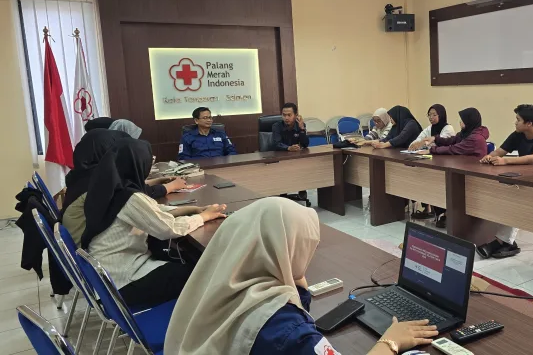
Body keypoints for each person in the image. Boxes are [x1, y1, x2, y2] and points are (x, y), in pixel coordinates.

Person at [164, 197, 438, 355]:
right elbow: (290, 334)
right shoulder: (286, 330)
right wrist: (391, 342)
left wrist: (296, 287)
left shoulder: (223, 282)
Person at [83, 138, 227, 308]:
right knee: (199, 272)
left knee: (185, 262)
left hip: (109, 276)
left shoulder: (110, 188)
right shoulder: (129, 197)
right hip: (123, 282)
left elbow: (153, 212)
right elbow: (169, 229)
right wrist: (203, 217)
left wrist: (193, 209)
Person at [476, 104, 533, 259]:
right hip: (524, 179)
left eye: (518, 120)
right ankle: (504, 241)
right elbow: (500, 151)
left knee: (514, 197)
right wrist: (490, 156)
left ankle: (502, 242)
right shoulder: (517, 135)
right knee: (500, 192)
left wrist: (505, 161)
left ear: (529, 123)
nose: (515, 122)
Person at [416, 108, 488, 227]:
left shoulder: (475, 138)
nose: (460, 122)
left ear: (469, 121)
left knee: (448, 184)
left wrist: (432, 150)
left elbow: (454, 148)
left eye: (462, 120)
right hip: (461, 169)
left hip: (473, 175)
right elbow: (451, 141)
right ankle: (446, 212)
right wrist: (435, 138)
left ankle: (450, 214)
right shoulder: (465, 133)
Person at [62, 129, 130, 246]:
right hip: (86, 248)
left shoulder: (83, 175)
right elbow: (130, 196)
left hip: (80, 240)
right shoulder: (97, 180)